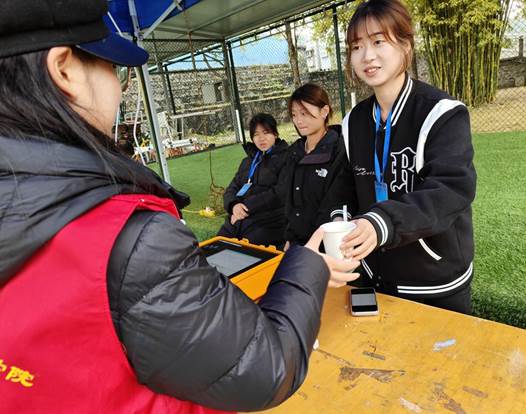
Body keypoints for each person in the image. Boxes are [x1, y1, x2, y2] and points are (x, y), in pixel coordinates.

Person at [0, 1, 360, 413]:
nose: (120, 87)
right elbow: (263, 368)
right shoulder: (127, 238)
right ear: (65, 70)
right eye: (114, 69)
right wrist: (306, 264)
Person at [340, 0, 476, 314]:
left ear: (405, 45)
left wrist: (381, 222)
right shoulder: (353, 122)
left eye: (378, 42)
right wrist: (339, 226)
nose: (367, 56)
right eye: (357, 46)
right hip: (373, 274)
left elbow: (451, 190)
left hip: (434, 279)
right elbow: (343, 188)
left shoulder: (442, 113)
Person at [283, 83, 357, 248]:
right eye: (294, 114)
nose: (298, 120)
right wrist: (289, 237)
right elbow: (289, 202)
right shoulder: (294, 151)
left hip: (326, 243)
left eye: (304, 113)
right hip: (296, 243)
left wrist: (315, 243)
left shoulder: (340, 151)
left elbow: (337, 198)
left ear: (324, 111)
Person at [218, 113, 288, 247]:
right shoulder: (247, 161)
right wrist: (234, 206)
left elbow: (280, 192)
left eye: (266, 133)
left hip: (269, 222)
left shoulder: (286, 158)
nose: (261, 138)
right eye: (256, 134)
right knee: (216, 246)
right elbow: (232, 188)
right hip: (239, 217)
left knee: (245, 251)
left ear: (275, 134)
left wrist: (245, 208)